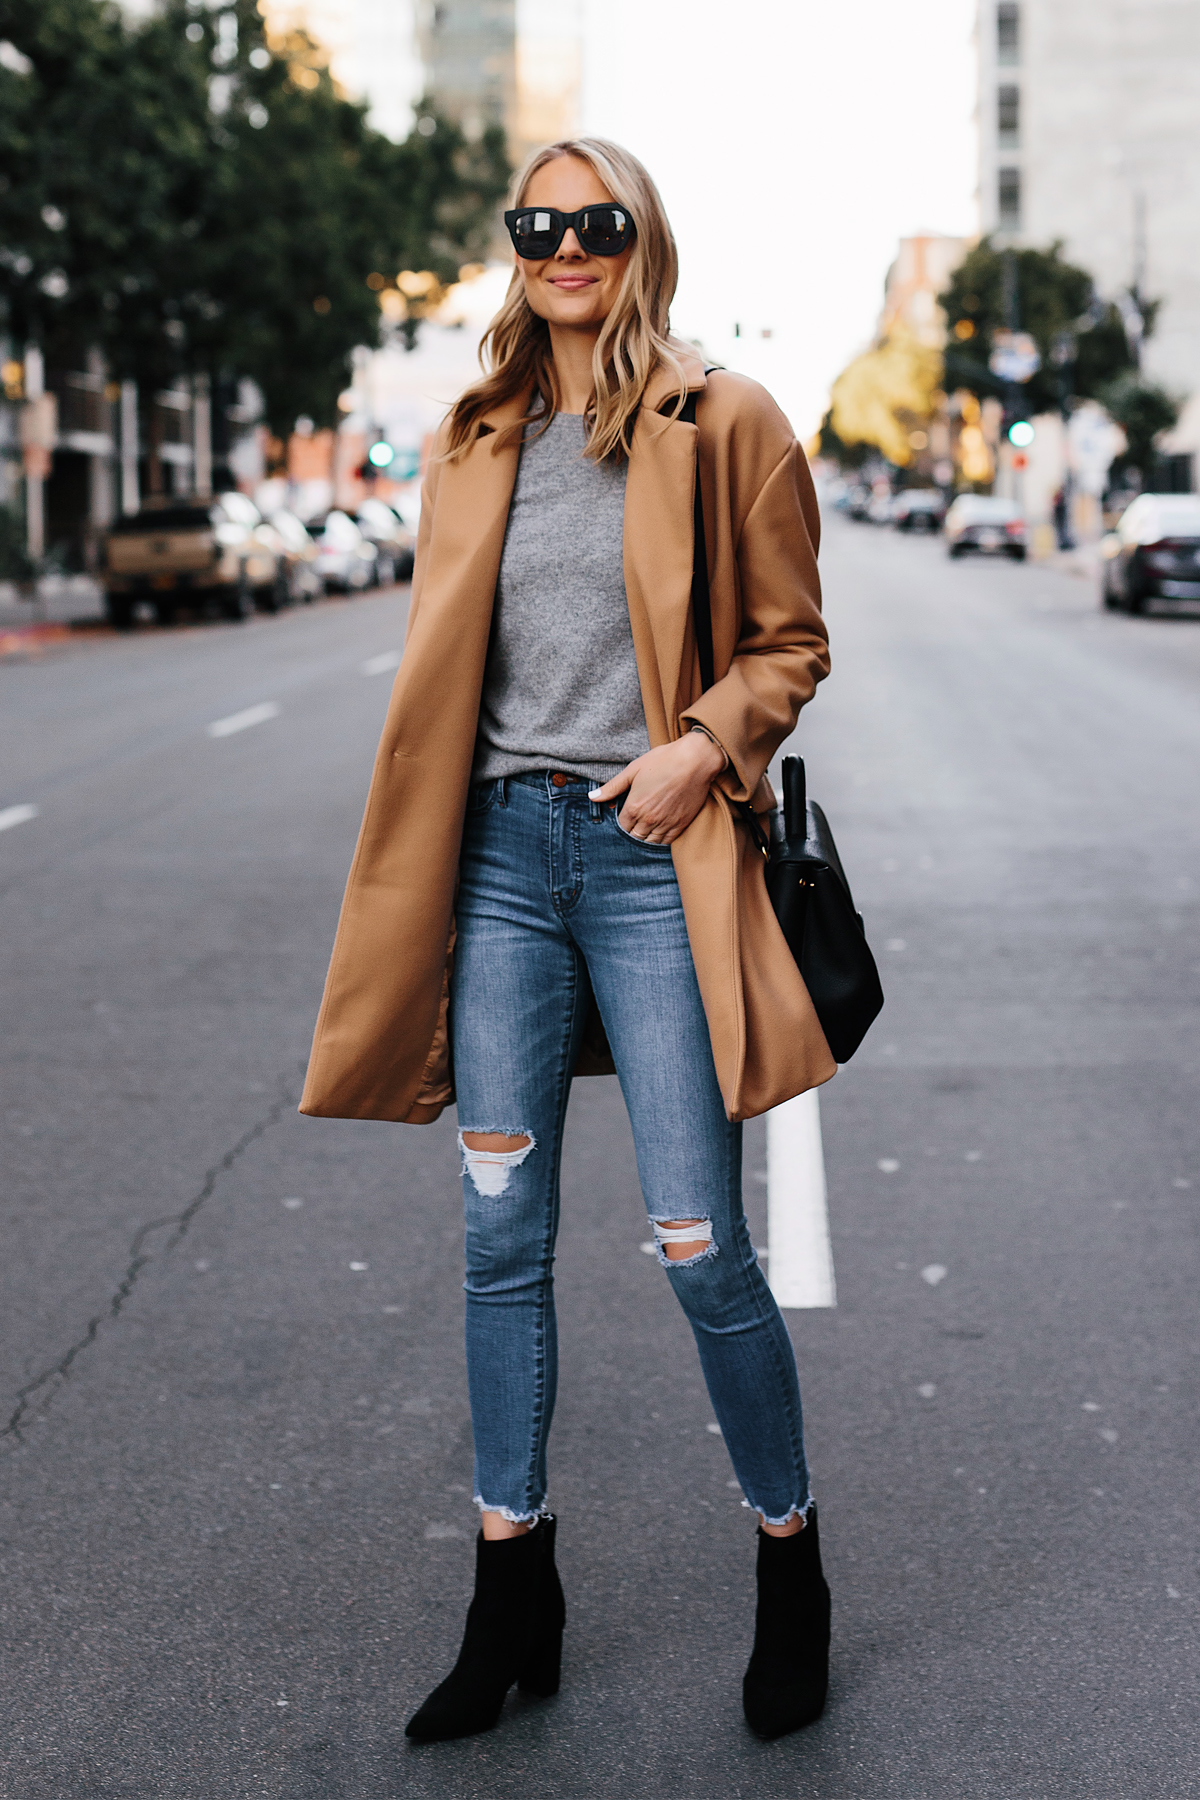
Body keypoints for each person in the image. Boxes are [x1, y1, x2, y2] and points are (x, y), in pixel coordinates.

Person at [299, 137, 835, 1743]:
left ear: (639, 238)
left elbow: (792, 639)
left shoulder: (722, 418)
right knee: (498, 1241)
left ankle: (791, 1561)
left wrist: (701, 745)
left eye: (592, 222)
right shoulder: (474, 435)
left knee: (698, 1242)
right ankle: (510, 1589)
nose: (563, 247)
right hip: (502, 871)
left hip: (646, 859)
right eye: (536, 225)